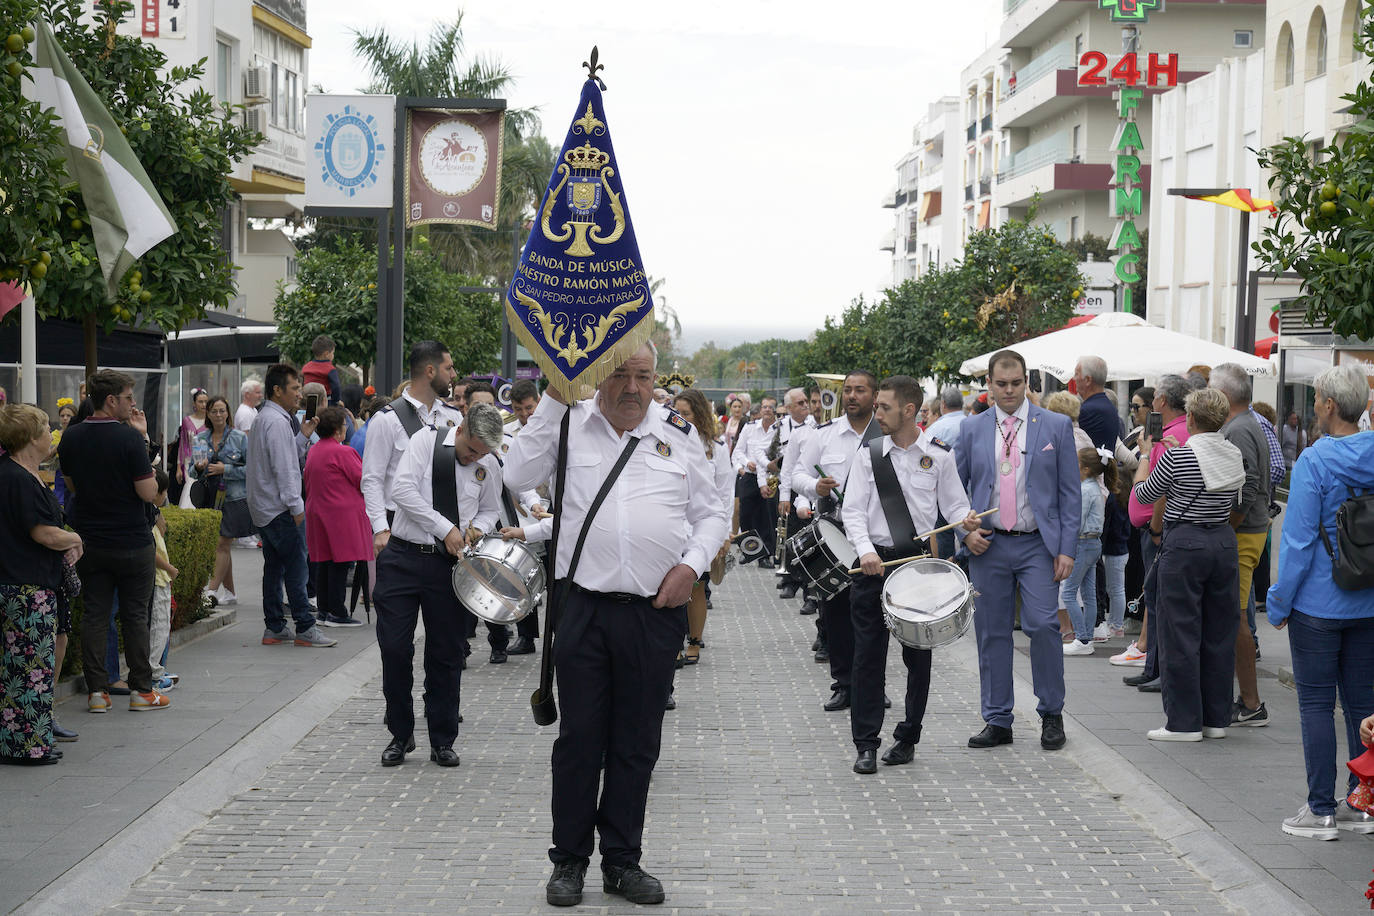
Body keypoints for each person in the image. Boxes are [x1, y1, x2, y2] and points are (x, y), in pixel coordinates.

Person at [503, 343, 728, 908]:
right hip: (582, 607)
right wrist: (556, 394)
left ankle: (623, 862)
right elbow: (516, 473)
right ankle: (569, 862)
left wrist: (691, 565)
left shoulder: (678, 432)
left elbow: (712, 512)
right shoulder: (569, 424)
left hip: (655, 613)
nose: (632, 387)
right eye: (620, 374)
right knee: (580, 741)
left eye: (643, 376)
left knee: (636, 742)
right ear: (599, 376)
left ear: (657, 379)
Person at [843, 376, 974, 774]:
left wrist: (967, 524)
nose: (876, 413)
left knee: (918, 658)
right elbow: (852, 510)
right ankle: (866, 743)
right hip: (873, 565)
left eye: (884, 407)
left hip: (917, 567)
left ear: (909, 410)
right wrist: (865, 551)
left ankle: (908, 736)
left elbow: (954, 507)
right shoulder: (869, 454)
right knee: (867, 659)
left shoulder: (938, 456)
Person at [1266, 364, 1374, 839]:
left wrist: (1278, 601)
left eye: (1316, 399)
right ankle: (1363, 801)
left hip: (1318, 603)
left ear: (1329, 406)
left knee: (1314, 704)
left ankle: (1320, 809)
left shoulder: (1314, 461)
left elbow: (1298, 541)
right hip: (1368, 601)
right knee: (1362, 706)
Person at [956, 349, 1079, 751]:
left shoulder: (1056, 426)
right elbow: (954, 491)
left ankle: (1051, 713)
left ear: (1027, 382)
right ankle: (997, 718)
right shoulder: (972, 429)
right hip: (988, 546)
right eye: (1001, 383)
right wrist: (964, 531)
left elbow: (1069, 493)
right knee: (991, 633)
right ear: (988, 385)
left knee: (1043, 625)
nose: (1009, 391)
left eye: (1016, 383)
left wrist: (1066, 549)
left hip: (1037, 546)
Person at [374, 401, 503, 768]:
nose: (474, 458)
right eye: (471, 450)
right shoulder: (425, 442)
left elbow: (492, 508)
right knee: (395, 649)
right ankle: (400, 733)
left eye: (482, 454)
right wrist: (444, 527)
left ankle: (442, 738)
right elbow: (402, 492)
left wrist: (479, 527)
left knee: (446, 654)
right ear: (460, 430)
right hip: (403, 557)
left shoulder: (488, 463)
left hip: (449, 565)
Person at [1130, 387, 1244, 741]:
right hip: (1223, 542)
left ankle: (1183, 722)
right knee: (1218, 633)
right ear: (1223, 418)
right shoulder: (1233, 453)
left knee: (1180, 632)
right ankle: (1216, 718)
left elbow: (1144, 495)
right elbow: (1239, 498)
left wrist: (1147, 459)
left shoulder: (1177, 457)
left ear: (1191, 418)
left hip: (1184, 543)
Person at [57, 370, 171, 712]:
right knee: (136, 615)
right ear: (111, 400)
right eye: (128, 398)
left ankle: (97, 693)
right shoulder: (129, 439)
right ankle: (141, 691)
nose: (133, 404)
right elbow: (149, 492)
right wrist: (143, 440)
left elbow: (73, 486)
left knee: (95, 614)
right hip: (133, 541)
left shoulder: (71, 438)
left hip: (90, 539)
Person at [0, 403, 84, 764]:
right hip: (25, 586)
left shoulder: (21, 473)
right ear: (31, 438)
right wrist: (75, 538)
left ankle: (27, 740)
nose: (51, 433)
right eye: (46, 427)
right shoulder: (17, 478)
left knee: (24, 667)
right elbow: (43, 533)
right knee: (29, 668)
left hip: (28, 581)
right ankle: (27, 747)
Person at [795, 371, 882, 711]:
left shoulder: (884, 435)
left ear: (874, 396)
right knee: (837, 614)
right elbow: (799, 473)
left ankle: (873, 685)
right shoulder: (825, 435)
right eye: (847, 390)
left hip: (875, 539)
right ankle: (844, 683)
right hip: (835, 535)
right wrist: (813, 488)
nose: (851, 396)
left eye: (859, 390)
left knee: (874, 617)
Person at [245, 363, 335, 649]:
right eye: (295, 388)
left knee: (274, 568)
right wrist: (296, 508)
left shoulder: (266, 418)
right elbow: (285, 470)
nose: (299, 394)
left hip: (264, 507)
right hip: (280, 508)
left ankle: (275, 626)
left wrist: (303, 435)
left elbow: (280, 459)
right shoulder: (276, 421)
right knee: (296, 568)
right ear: (277, 390)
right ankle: (304, 628)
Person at [1116, 375, 1192, 678]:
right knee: (1155, 596)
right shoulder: (1174, 432)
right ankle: (1154, 666)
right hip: (1157, 527)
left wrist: (1158, 529)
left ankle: (1158, 669)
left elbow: (1157, 489)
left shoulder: (1172, 436)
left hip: (1159, 529)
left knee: (1160, 599)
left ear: (1161, 401)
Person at [361, 341, 462, 560]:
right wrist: (380, 529)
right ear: (430, 371)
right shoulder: (387, 420)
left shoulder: (453, 418)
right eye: (449, 368)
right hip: (398, 532)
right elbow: (372, 479)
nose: (454, 374)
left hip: (445, 532)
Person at [1211, 363, 1271, 727]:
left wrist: (1226, 526)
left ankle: (1252, 702)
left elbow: (1247, 488)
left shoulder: (1239, 429)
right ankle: (1247, 700)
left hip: (1244, 531)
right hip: (1247, 529)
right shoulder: (1244, 424)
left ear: (1224, 395)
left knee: (1236, 619)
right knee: (1235, 616)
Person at [671, 388, 734, 668]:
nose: (681, 419)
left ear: (699, 415)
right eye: (677, 413)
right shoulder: (665, 443)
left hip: (699, 531)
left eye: (686, 414)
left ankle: (694, 641)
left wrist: (724, 534)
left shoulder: (716, 450)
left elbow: (724, 493)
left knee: (695, 588)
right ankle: (673, 645)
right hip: (671, 529)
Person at [303, 407, 371, 628]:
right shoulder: (343, 452)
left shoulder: (314, 449)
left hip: (318, 510)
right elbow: (363, 480)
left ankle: (324, 610)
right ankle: (337, 611)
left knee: (325, 562)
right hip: (341, 513)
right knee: (340, 563)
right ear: (337, 429)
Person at [190, 396, 250, 608]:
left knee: (222, 543)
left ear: (228, 413)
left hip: (232, 498)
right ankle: (231, 592)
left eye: (222, 411)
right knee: (222, 546)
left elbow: (251, 468)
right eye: (214, 411)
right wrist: (199, 468)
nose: (218, 415)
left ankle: (211, 591)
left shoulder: (240, 438)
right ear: (207, 413)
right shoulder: (199, 439)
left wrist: (227, 469)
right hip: (209, 499)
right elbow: (192, 470)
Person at [1062, 448, 1114, 656]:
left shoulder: (1085, 490)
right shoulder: (1094, 488)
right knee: (1088, 594)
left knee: (1068, 593)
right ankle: (1087, 639)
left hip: (1082, 543)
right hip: (1094, 543)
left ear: (1084, 468)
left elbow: (1076, 521)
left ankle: (1082, 639)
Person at [774, 387, 817, 600]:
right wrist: (783, 497)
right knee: (791, 539)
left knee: (813, 542)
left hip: (818, 491)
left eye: (806, 401)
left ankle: (811, 591)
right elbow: (788, 468)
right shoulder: (796, 432)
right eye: (800, 403)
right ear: (790, 408)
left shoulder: (818, 428)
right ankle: (791, 581)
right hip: (796, 491)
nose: (806, 405)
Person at [733, 394, 781, 568]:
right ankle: (749, 550)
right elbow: (738, 451)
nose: (767, 409)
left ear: (775, 410)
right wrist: (746, 463)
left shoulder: (779, 429)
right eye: (764, 407)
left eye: (770, 406)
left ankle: (765, 555)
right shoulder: (750, 427)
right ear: (760, 410)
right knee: (745, 515)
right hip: (750, 476)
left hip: (770, 478)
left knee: (766, 516)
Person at [147, 469, 178, 693]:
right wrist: (169, 568)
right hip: (158, 579)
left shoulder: (152, 513)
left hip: (159, 579)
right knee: (158, 628)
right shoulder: (147, 519)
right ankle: (154, 676)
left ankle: (155, 670)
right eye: (164, 491)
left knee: (160, 627)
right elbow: (151, 552)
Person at [1074, 356, 1121, 450]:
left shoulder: (1088, 411)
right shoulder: (1109, 406)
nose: (1074, 378)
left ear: (1087, 380)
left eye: (1076, 374)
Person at [175, 388, 209, 509]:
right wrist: (178, 468)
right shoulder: (187, 421)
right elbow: (182, 445)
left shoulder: (210, 421)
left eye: (206, 401)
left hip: (206, 461)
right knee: (190, 486)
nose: (204, 404)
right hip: (189, 461)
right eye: (200, 401)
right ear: (194, 403)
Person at [301, 335, 342, 406]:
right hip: (325, 401)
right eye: (333, 353)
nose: (333, 355)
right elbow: (336, 387)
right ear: (326, 354)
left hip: (307, 401)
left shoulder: (306, 367)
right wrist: (336, 401)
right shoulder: (330, 369)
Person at [924, 386, 966, 453]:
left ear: (943, 404)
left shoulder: (935, 428)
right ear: (962, 403)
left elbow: (924, 452)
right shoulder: (974, 424)